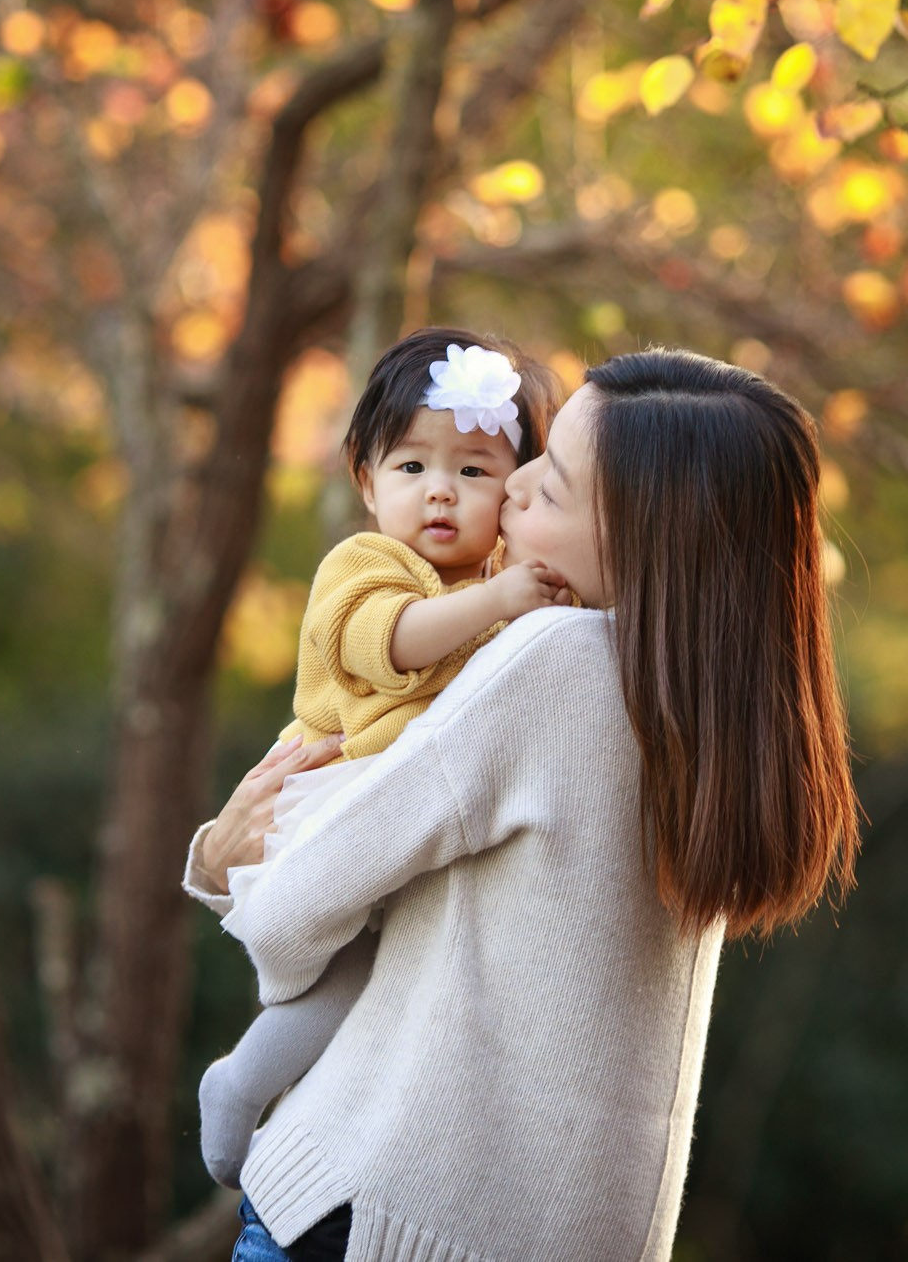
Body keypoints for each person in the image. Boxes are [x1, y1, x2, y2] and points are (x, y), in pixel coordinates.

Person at [184, 347, 862, 1262]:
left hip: (385, 1214)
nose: (512, 488)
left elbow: (305, 901)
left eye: (552, 483)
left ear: (642, 535)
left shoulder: (554, 661)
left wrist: (229, 866)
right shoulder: (724, 707)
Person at [197, 327, 565, 1189]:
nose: (441, 492)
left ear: (516, 491)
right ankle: (243, 1076)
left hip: (412, 804)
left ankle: (257, 1079)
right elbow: (390, 644)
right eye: (411, 469)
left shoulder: (510, 575)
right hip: (337, 790)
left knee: (388, 966)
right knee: (349, 960)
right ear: (366, 481)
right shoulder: (367, 564)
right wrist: (505, 600)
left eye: (473, 472)